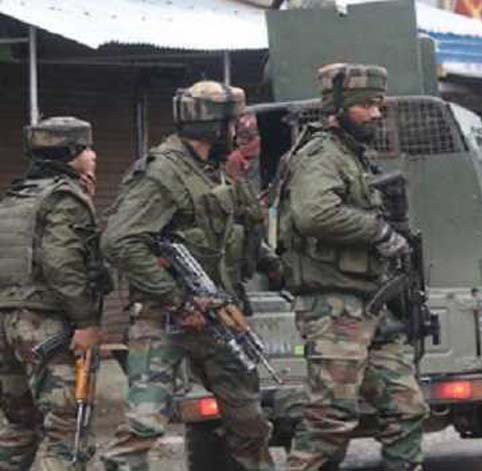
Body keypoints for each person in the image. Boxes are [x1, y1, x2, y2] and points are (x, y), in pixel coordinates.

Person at [100, 81, 274, 471]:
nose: (241, 132)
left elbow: (234, 233)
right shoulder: (164, 172)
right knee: (144, 425)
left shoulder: (215, 171)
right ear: (214, 126)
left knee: (250, 423)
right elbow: (119, 241)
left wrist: (276, 266)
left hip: (219, 318)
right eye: (234, 123)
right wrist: (178, 301)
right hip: (163, 318)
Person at [277, 63, 429, 471]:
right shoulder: (321, 155)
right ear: (338, 109)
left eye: (379, 105)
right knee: (330, 419)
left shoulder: (353, 157)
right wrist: (378, 232)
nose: (376, 114)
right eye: (366, 106)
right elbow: (314, 213)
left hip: (368, 304)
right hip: (333, 306)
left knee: (406, 406)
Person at [0, 116, 108, 471]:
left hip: (7, 323)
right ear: (71, 154)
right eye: (87, 149)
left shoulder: (16, 197)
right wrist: (86, 321)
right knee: (67, 430)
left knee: (18, 427)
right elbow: (62, 264)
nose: (94, 155)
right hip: (45, 325)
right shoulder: (64, 198)